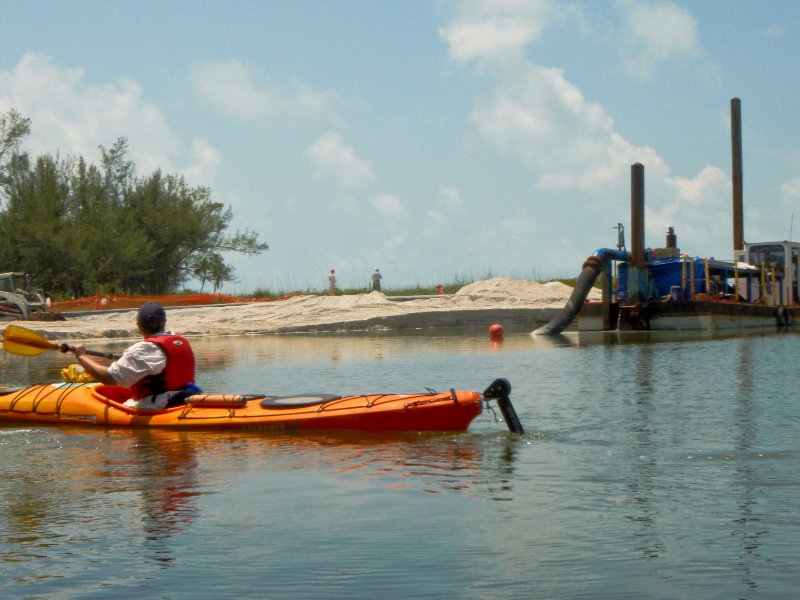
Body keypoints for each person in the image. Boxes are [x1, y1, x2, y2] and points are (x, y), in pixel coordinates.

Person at [70, 302, 196, 410]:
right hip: (185, 399)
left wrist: (81, 357)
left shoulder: (142, 349)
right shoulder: (180, 340)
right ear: (164, 322)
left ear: (138, 325)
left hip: (156, 407)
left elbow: (109, 378)